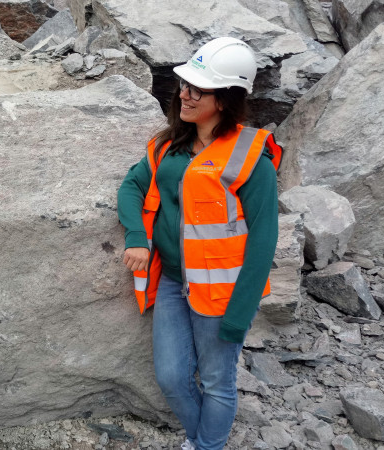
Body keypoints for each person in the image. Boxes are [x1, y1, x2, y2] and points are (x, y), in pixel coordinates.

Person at [117, 37, 281, 450]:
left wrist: (240, 314)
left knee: (216, 381)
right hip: (173, 280)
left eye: (197, 89)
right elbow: (132, 188)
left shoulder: (249, 158)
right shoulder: (169, 145)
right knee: (172, 378)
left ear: (224, 99)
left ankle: (206, 445)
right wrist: (137, 237)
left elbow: (264, 238)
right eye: (184, 86)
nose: (184, 95)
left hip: (222, 293)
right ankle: (201, 440)